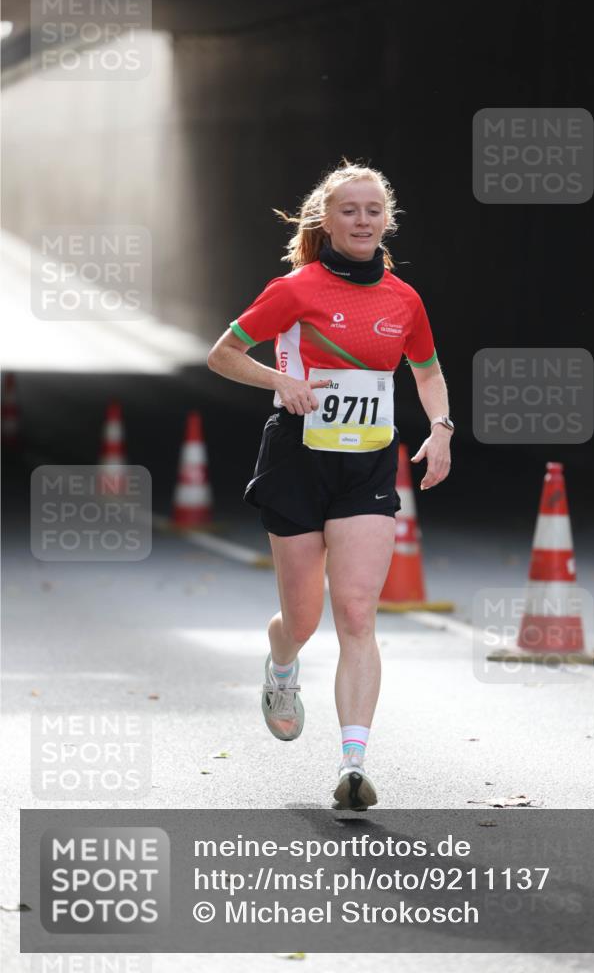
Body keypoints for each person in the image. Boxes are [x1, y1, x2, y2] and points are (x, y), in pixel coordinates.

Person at [207, 160, 452, 810]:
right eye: (349, 210)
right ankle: (282, 665)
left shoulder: (403, 298)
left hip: (368, 463)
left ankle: (352, 764)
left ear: (386, 219)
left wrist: (442, 427)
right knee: (304, 617)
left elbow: (426, 370)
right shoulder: (294, 289)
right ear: (326, 219)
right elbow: (223, 353)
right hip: (296, 456)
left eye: (373, 210)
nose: (362, 220)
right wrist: (279, 382)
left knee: (355, 612)